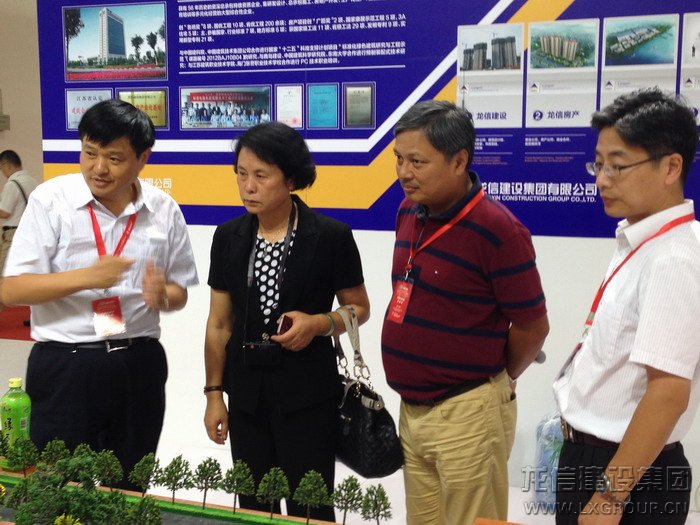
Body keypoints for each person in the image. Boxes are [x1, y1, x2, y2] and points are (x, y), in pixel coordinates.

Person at [1, 99, 199, 490]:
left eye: (114, 158)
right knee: (57, 486)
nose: (99, 168)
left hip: (138, 364)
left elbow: (180, 292)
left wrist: (163, 296)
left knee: (130, 483)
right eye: (90, 153)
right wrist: (87, 277)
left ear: (143, 158)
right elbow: (12, 289)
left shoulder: (163, 210)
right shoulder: (51, 201)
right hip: (66, 364)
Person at [381, 100, 549, 525]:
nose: (404, 173)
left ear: (459, 161)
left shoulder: (498, 230)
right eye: (398, 159)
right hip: (412, 410)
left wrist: (496, 381)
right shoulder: (409, 211)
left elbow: (532, 326)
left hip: (468, 412)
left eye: (417, 161)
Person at [204, 122, 370, 521]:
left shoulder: (330, 236)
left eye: (261, 176)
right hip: (247, 396)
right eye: (241, 174)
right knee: (254, 506)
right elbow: (219, 324)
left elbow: (359, 308)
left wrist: (319, 324)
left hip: (308, 397)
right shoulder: (228, 237)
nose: (248, 187)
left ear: (291, 179)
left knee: (309, 506)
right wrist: (213, 394)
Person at [553, 88, 700, 524]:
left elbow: (668, 392)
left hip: (628, 476)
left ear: (671, 167)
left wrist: (611, 496)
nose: (602, 179)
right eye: (598, 164)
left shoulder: (673, 258)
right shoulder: (642, 239)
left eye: (617, 166)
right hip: (597, 460)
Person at [0, 150, 39, 275]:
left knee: (4, 272)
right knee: (24, 272)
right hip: (31, 233)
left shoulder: (11, 184)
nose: (2, 172)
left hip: (13, 234)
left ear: (7, 165)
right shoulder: (33, 182)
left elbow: (5, 212)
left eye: (1, 168)